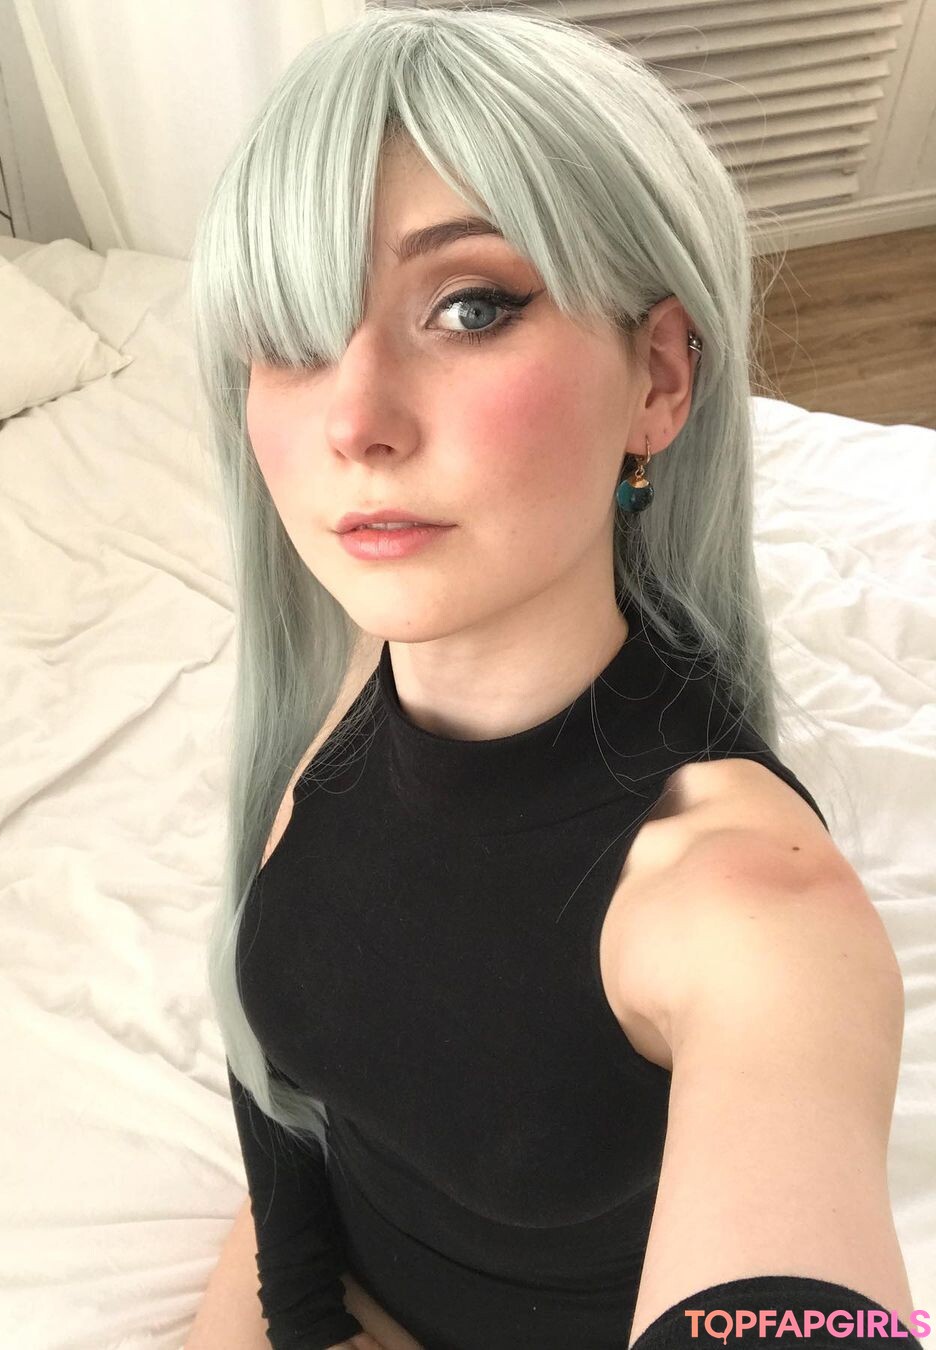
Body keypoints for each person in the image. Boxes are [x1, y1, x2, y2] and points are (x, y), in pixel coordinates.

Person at [185, 9, 920, 1349]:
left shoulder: (753, 916)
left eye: (470, 308)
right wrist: (302, 1316)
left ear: (659, 378)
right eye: (292, 333)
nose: (355, 421)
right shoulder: (351, 675)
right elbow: (286, 1084)